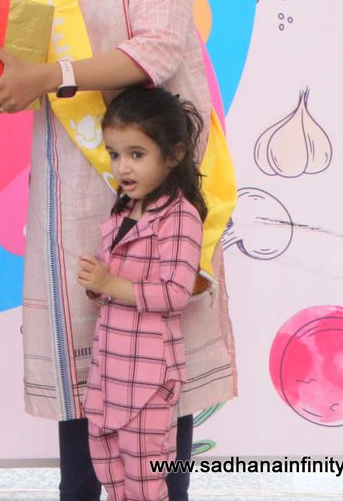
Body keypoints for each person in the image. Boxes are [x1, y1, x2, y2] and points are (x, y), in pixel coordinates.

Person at [0, 0, 236, 501]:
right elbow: (30, 61)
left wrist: (50, 74)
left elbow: (158, 49)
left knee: (156, 345)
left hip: (156, 169)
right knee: (83, 345)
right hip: (70, 170)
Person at [77, 88, 207, 501]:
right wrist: (97, 284)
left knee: (146, 479)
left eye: (136, 154)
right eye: (115, 154)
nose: (123, 167)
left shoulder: (181, 216)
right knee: (108, 467)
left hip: (148, 374)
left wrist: (111, 284)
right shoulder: (123, 210)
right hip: (109, 369)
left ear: (173, 155)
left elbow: (176, 293)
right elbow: (110, 282)